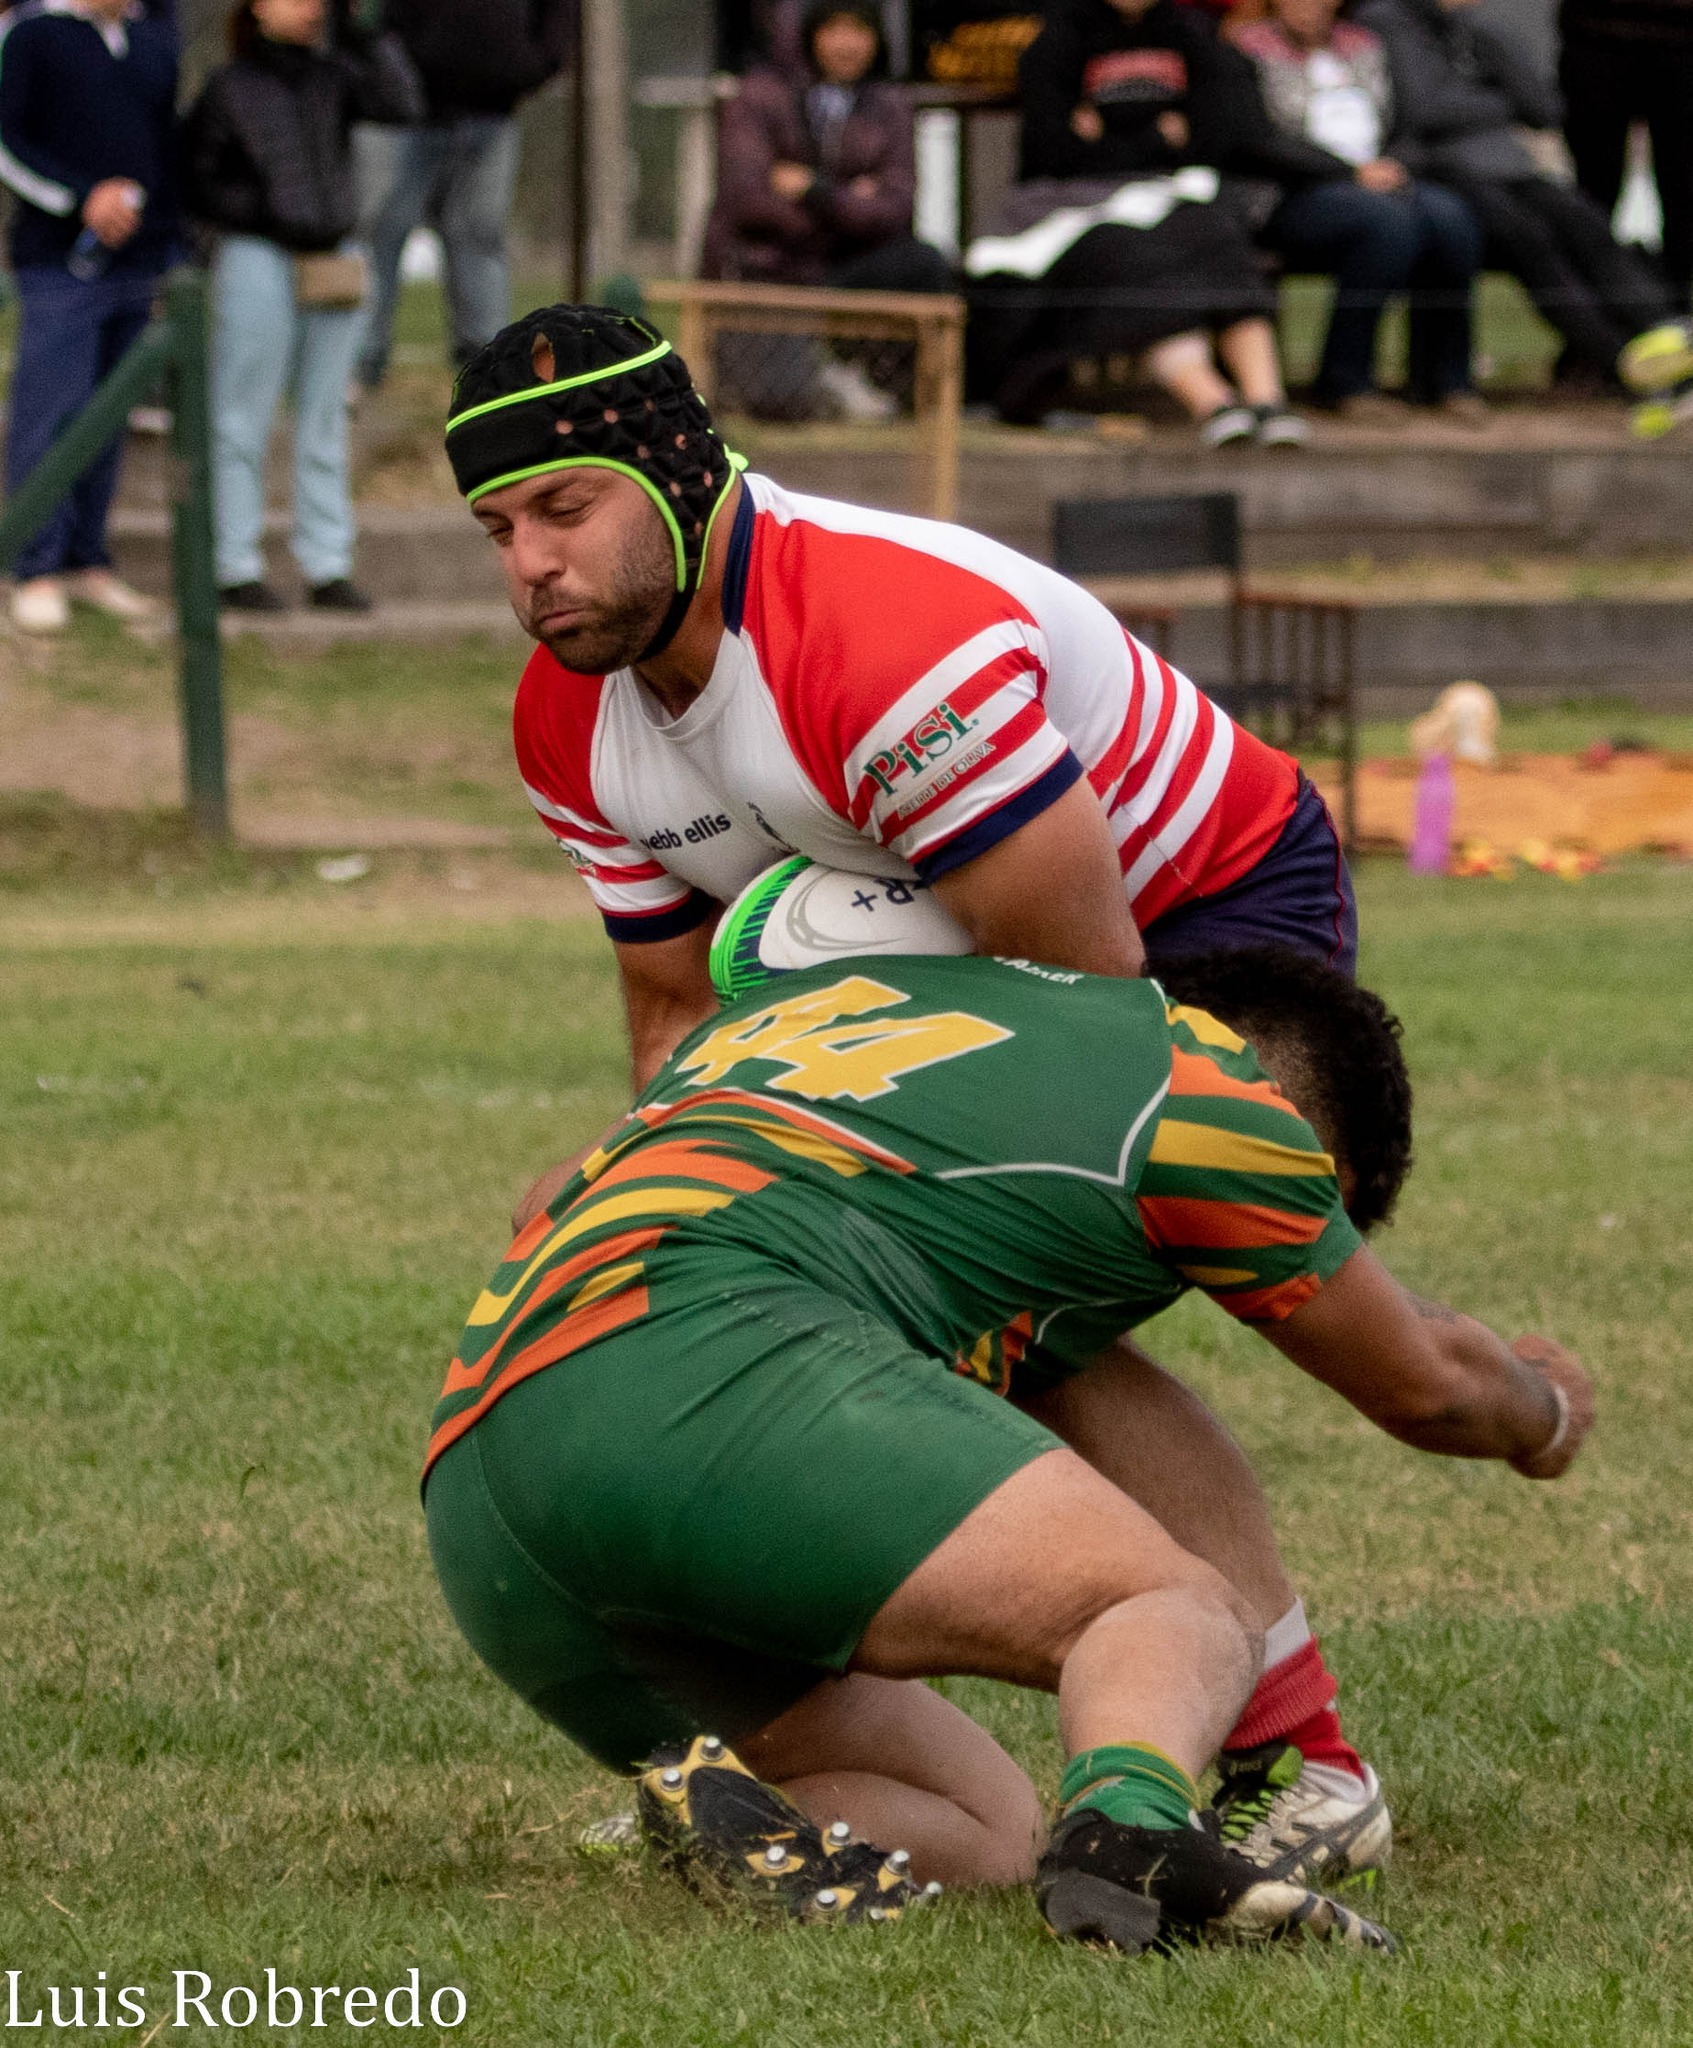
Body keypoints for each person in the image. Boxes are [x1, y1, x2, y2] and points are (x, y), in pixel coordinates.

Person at [444, 304, 1396, 1879]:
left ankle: (1303, 1762)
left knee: (1008, 1301)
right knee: (838, 1298)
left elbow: (1084, 1009)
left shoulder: (875, 642)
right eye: (495, 529)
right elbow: (678, 1015)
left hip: (1198, 912)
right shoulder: (573, 714)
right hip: (935, 922)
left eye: (565, 508)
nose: (529, 564)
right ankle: (807, 1738)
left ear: (683, 477)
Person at [423, 945, 1593, 1946]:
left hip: (483, 1489)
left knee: (983, 1825)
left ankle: (748, 1825)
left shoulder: (849, 997)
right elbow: (1424, 1384)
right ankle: (1133, 1832)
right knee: (1173, 1608)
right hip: (708, 1359)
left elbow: (542, 1198)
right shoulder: (1207, 1087)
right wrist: (1541, 1411)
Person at [963, 0, 1308, 442]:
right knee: (1139, 261)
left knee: (1217, 237)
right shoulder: (1058, 39)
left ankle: (1266, 402)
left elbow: (1222, 131)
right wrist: (1155, 135)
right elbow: (1052, 151)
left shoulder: (1191, 34)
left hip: (1178, 193)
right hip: (1077, 207)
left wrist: (1109, 131)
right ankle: (1216, 404)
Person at [182, 0, 422, 612]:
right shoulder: (230, 85)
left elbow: (401, 104)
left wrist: (366, 32)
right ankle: (233, 563)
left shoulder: (333, 74)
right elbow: (198, 177)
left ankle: (327, 562)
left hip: (331, 259)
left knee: (324, 416)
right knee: (242, 415)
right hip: (257, 258)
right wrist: (263, 215)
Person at [1354, 0, 1693, 427]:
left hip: (1509, 165)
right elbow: (1422, 110)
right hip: (1440, 172)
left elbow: (1542, 107)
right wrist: (1496, 103)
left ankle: (1671, 336)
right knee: (1529, 239)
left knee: (1584, 221)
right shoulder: (1386, 20)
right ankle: (1623, 360)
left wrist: (1487, 44)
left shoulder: (1473, 28)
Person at [0, 0, 179, 635]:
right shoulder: (32, 35)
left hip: (139, 265)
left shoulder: (153, 42)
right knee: (50, 412)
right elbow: (8, 141)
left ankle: (86, 560)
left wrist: (167, 244)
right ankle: (33, 565)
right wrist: (81, 201)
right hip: (58, 264)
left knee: (108, 418)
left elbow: (164, 150)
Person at [1231, 0, 1486, 419]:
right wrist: (1347, 172)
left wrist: (1393, 164)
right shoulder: (1246, 48)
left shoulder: (1363, 45)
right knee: (1386, 225)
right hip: (1291, 190)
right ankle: (1345, 380)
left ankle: (1445, 380)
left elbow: (1404, 123)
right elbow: (1252, 140)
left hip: (1378, 177)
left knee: (1450, 218)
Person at [703, 0, 956, 420]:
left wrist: (817, 192)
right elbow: (747, 200)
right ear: (811, 34)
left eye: (860, 32)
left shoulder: (888, 105)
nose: (848, 45)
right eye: (836, 31)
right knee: (778, 406)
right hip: (772, 268)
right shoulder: (759, 96)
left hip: (845, 263)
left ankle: (907, 398)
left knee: (923, 264)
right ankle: (827, 382)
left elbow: (895, 206)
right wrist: (851, 203)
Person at [353, 0, 573, 391]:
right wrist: (388, 57)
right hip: (406, 110)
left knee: (480, 234)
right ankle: (363, 359)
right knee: (384, 229)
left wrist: (535, 64)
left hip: (493, 110)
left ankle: (488, 364)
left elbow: (560, 14)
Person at [1558, 0, 1693, 311]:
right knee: (1592, 198)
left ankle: (1677, 322)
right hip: (1596, 36)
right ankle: (1594, 331)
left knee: (1682, 195)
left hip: (1682, 41)